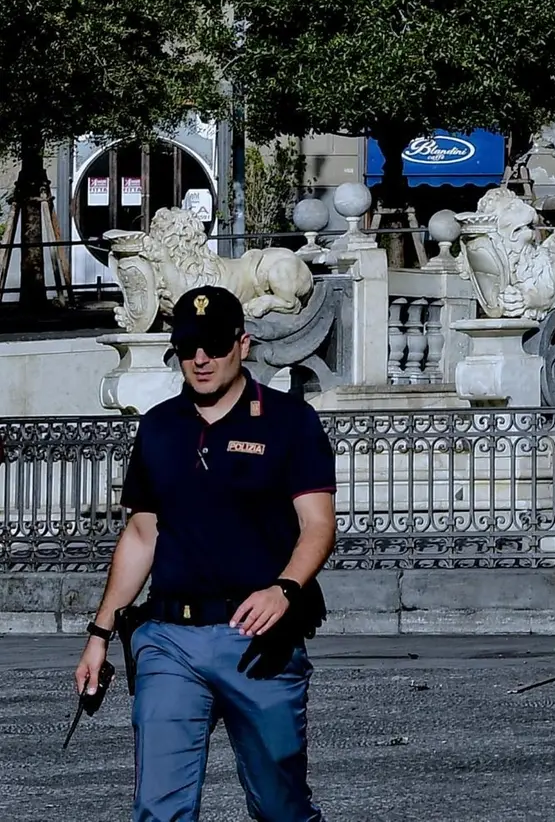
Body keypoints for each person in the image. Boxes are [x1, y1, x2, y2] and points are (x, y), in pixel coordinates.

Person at [74, 286, 337, 822]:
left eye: (214, 344)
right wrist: (99, 635)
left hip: (259, 640)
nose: (200, 358)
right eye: (189, 345)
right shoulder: (159, 427)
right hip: (169, 640)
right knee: (158, 809)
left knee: (280, 807)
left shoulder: (289, 422)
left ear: (241, 344)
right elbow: (142, 535)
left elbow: (318, 526)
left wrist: (284, 589)